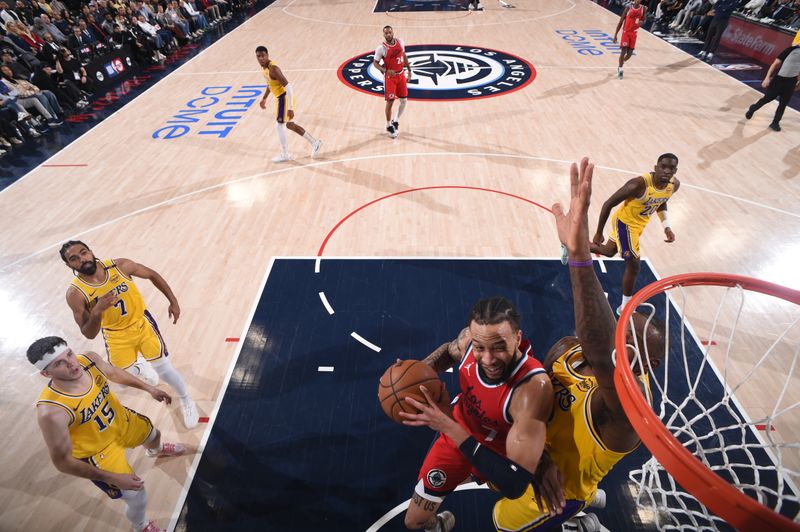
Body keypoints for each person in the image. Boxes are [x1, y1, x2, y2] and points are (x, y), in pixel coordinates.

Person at [405, 158, 667, 531]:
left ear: (649, 363)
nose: (614, 338)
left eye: (626, 340)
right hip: (527, 453)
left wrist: (579, 257)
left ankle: (579, 511)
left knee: (501, 520)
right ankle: (585, 498)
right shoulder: (565, 350)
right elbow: (536, 406)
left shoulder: (629, 413)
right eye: (618, 327)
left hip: (561, 487)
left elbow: (601, 356)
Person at [399, 296, 554, 532]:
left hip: (502, 452)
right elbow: (449, 352)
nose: (488, 359)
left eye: (499, 347)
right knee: (413, 521)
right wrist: (417, 373)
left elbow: (513, 485)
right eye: (480, 348)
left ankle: (581, 503)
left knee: (548, 489)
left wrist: (447, 425)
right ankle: (439, 526)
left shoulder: (531, 389)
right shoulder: (468, 341)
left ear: (518, 338)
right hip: (458, 436)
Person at [29, 336, 186, 532]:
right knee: (137, 495)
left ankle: (155, 451)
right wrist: (111, 478)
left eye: (69, 354)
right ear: (46, 373)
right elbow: (62, 463)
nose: (71, 363)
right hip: (98, 452)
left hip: (120, 421)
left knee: (154, 435)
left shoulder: (88, 360)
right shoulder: (52, 411)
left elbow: (113, 373)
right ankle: (141, 526)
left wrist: (149, 388)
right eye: (59, 363)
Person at [60, 240, 199, 429]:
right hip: (115, 335)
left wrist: (173, 301)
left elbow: (152, 275)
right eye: (74, 259)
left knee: (164, 369)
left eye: (83, 253)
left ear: (91, 251)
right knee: (122, 377)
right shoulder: (75, 294)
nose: (82, 259)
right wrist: (97, 311)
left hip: (141, 325)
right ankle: (141, 367)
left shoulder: (120, 266)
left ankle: (186, 399)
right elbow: (89, 334)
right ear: (69, 265)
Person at [588, 154, 680, 315]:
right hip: (625, 224)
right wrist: (598, 232)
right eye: (663, 166)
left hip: (638, 226)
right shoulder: (637, 185)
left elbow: (662, 201)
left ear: (676, 170)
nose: (666, 171)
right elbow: (608, 204)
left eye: (671, 168)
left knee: (609, 252)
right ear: (655, 167)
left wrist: (666, 227)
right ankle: (625, 307)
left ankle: (570, 244)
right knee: (634, 265)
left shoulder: (673, 185)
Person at [256, 45, 322, 163]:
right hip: (280, 98)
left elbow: (289, 87)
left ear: (267, 56)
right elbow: (270, 85)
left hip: (284, 98)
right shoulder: (264, 68)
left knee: (279, 126)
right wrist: (264, 98)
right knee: (290, 125)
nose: (261, 58)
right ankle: (315, 143)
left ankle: (285, 154)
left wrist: (290, 107)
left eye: (263, 56)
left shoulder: (273, 69)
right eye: (258, 56)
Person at [745, 44, 800, 132]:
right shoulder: (790, 50)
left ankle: (775, 123)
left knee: (783, 104)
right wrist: (767, 78)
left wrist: (798, 84)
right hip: (779, 80)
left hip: (791, 82)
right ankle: (752, 109)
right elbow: (775, 64)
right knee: (767, 99)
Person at [373, 25, 410, 139]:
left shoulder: (400, 42)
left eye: (390, 32)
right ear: (383, 35)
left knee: (404, 101)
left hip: (401, 75)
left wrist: (409, 69)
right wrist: (386, 70)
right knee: (390, 102)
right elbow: (375, 63)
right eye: (386, 33)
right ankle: (388, 125)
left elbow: (403, 56)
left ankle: (395, 121)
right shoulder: (381, 48)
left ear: (393, 32)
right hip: (390, 78)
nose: (388, 34)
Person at [613, 0, 646, 80]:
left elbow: (644, 19)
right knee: (623, 51)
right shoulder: (628, 8)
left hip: (634, 33)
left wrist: (642, 22)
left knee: (629, 55)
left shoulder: (643, 8)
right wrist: (615, 35)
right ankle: (620, 69)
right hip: (626, 32)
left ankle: (622, 61)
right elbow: (621, 21)